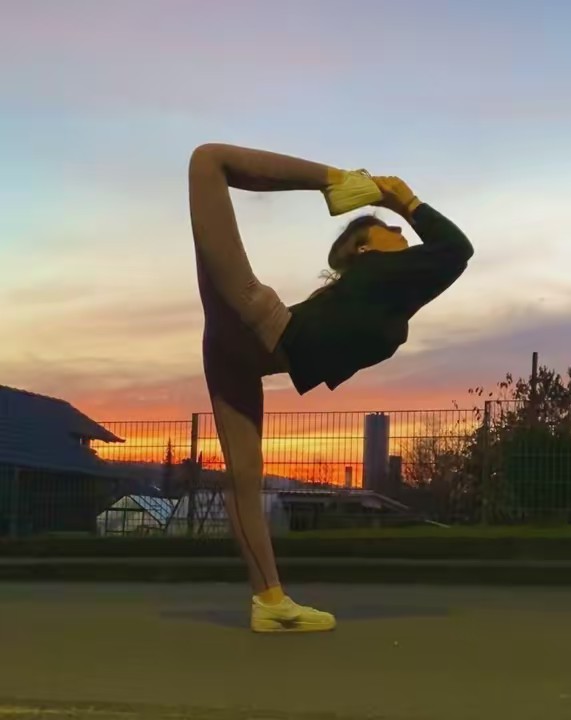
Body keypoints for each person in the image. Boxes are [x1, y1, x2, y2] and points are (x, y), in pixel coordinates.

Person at [188, 144, 474, 633]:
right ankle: (338, 180)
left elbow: (448, 256)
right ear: (364, 250)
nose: (400, 231)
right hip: (257, 323)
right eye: (387, 229)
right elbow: (456, 250)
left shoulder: (389, 287)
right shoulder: (379, 274)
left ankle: (270, 601)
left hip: (240, 354)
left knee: (244, 478)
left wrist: (399, 207)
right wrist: (406, 202)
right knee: (208, 161)